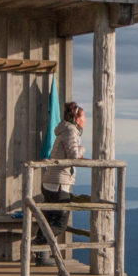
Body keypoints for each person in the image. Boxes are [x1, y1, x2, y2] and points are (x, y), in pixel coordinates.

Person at [38, 101, 85, 254]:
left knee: (49, 221)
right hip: (59, 183)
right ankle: (35, 245)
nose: (85, 120)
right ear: (77, 119)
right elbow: (73, 155)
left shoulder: (65, 130)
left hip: (50, 181)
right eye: (84, 117)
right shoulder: (71, 131)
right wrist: (83, 149)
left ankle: (40, 255)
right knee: (60, 224)